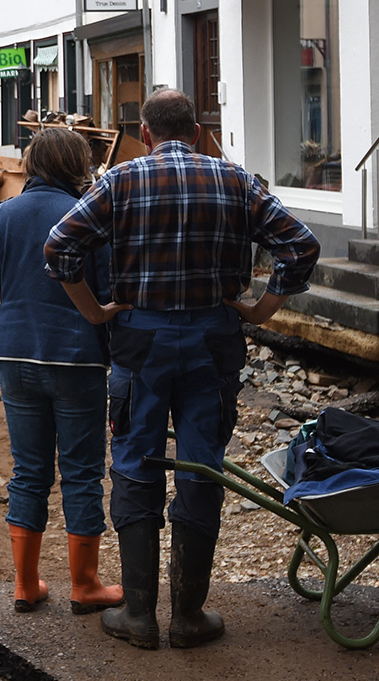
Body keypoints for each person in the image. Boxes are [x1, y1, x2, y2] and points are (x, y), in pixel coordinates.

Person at [44, 90, 320, 651]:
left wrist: (94, 310)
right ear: (195, 132)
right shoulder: (236, 180)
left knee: (135, 462)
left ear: (145, 134)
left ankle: (140, 617)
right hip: (212, 339)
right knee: (202, 466)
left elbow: (59, 247)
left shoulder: (120, 180)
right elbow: (301, 245)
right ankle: (189, 617)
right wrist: (262, 308)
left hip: (141, 340)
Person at [0, 128, 124, 615]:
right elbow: (106, 289)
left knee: (28, 472)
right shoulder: (88, 217)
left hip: (13, 357)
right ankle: (85, 585)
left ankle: (26, 584)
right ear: (77, 165)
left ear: (33, 164)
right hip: (77, 359)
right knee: (81, 473)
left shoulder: (1, 215)